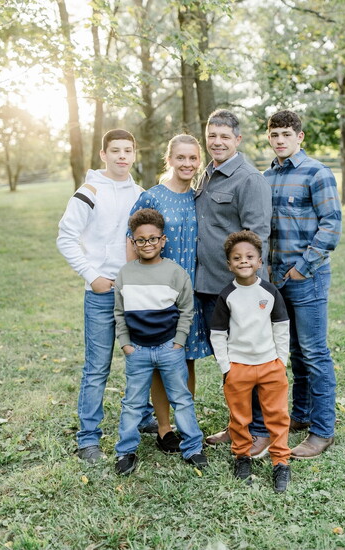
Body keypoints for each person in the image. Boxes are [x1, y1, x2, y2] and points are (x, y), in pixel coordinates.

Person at [57, 129, 157, 464]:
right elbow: (66, 237)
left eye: (128, 151)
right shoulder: (89, 192)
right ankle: (88, 439)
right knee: (97, 367)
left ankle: (143, 418)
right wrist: (92, 276)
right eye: (115, 151)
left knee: (140, 360)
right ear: (103, 155)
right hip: (101, 293)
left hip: (134, 293)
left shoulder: (141, 194)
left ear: (134, 154)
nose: (122, 157)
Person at [194, 109, 273, 458]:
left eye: (225, 136)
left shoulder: (249, 179)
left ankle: (258, 431)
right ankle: (237, 425)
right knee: (228, 363)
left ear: (237, 140)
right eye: (212, 135)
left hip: (237, 291)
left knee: (248, 362)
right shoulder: (206, 175)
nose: (217, 142)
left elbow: (258, 239)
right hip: (208, 285)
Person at [264, 109, 342, 459]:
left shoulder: (317, 173)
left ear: (300, 136)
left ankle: (322, 431)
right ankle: (302, 413)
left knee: (314, 353)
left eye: (285, 134)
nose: (279, 140)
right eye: (274, 134)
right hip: (276, 279)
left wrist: (302, 268)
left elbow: (331, 226)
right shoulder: (266, 176)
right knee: (294, 352)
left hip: (306, 278)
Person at [128, 134, 211, 454]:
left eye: (193, 158)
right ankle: (164, 429)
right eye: (181, 158)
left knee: (186, 359)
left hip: (190, 291)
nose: (187, 164)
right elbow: (132, 239)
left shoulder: (199, 197)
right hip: (157, 294)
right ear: (170, 159)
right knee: (161, 362)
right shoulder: (153, 197)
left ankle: (183, 422)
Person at [113, 208, 207, 475]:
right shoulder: (125, 274)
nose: (147, 244)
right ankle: (125, 452)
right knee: (132, 402)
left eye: (153, 239)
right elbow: (119, 312)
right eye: (141, 240)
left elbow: (187, 310)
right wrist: (126, 344)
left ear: (163, 240)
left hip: (169, 348)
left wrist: (179, 341)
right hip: (137, 350)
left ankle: (193, 448)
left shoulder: (175, 272)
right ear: (133, 242)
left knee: (182, 399)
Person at [210, 231, 291, 493]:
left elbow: (281, 327)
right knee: (239, 417)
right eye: (237, 258)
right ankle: (242, 457)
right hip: (239, 367)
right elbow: (218, 334)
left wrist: (281, 361)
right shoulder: (227, 295)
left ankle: (281, 461)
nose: (243, 261)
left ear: (259, 261)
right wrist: (226, 367)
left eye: (249, 257)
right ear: (229, 265)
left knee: (277, 415)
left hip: (270, 365)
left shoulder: (269, 292)